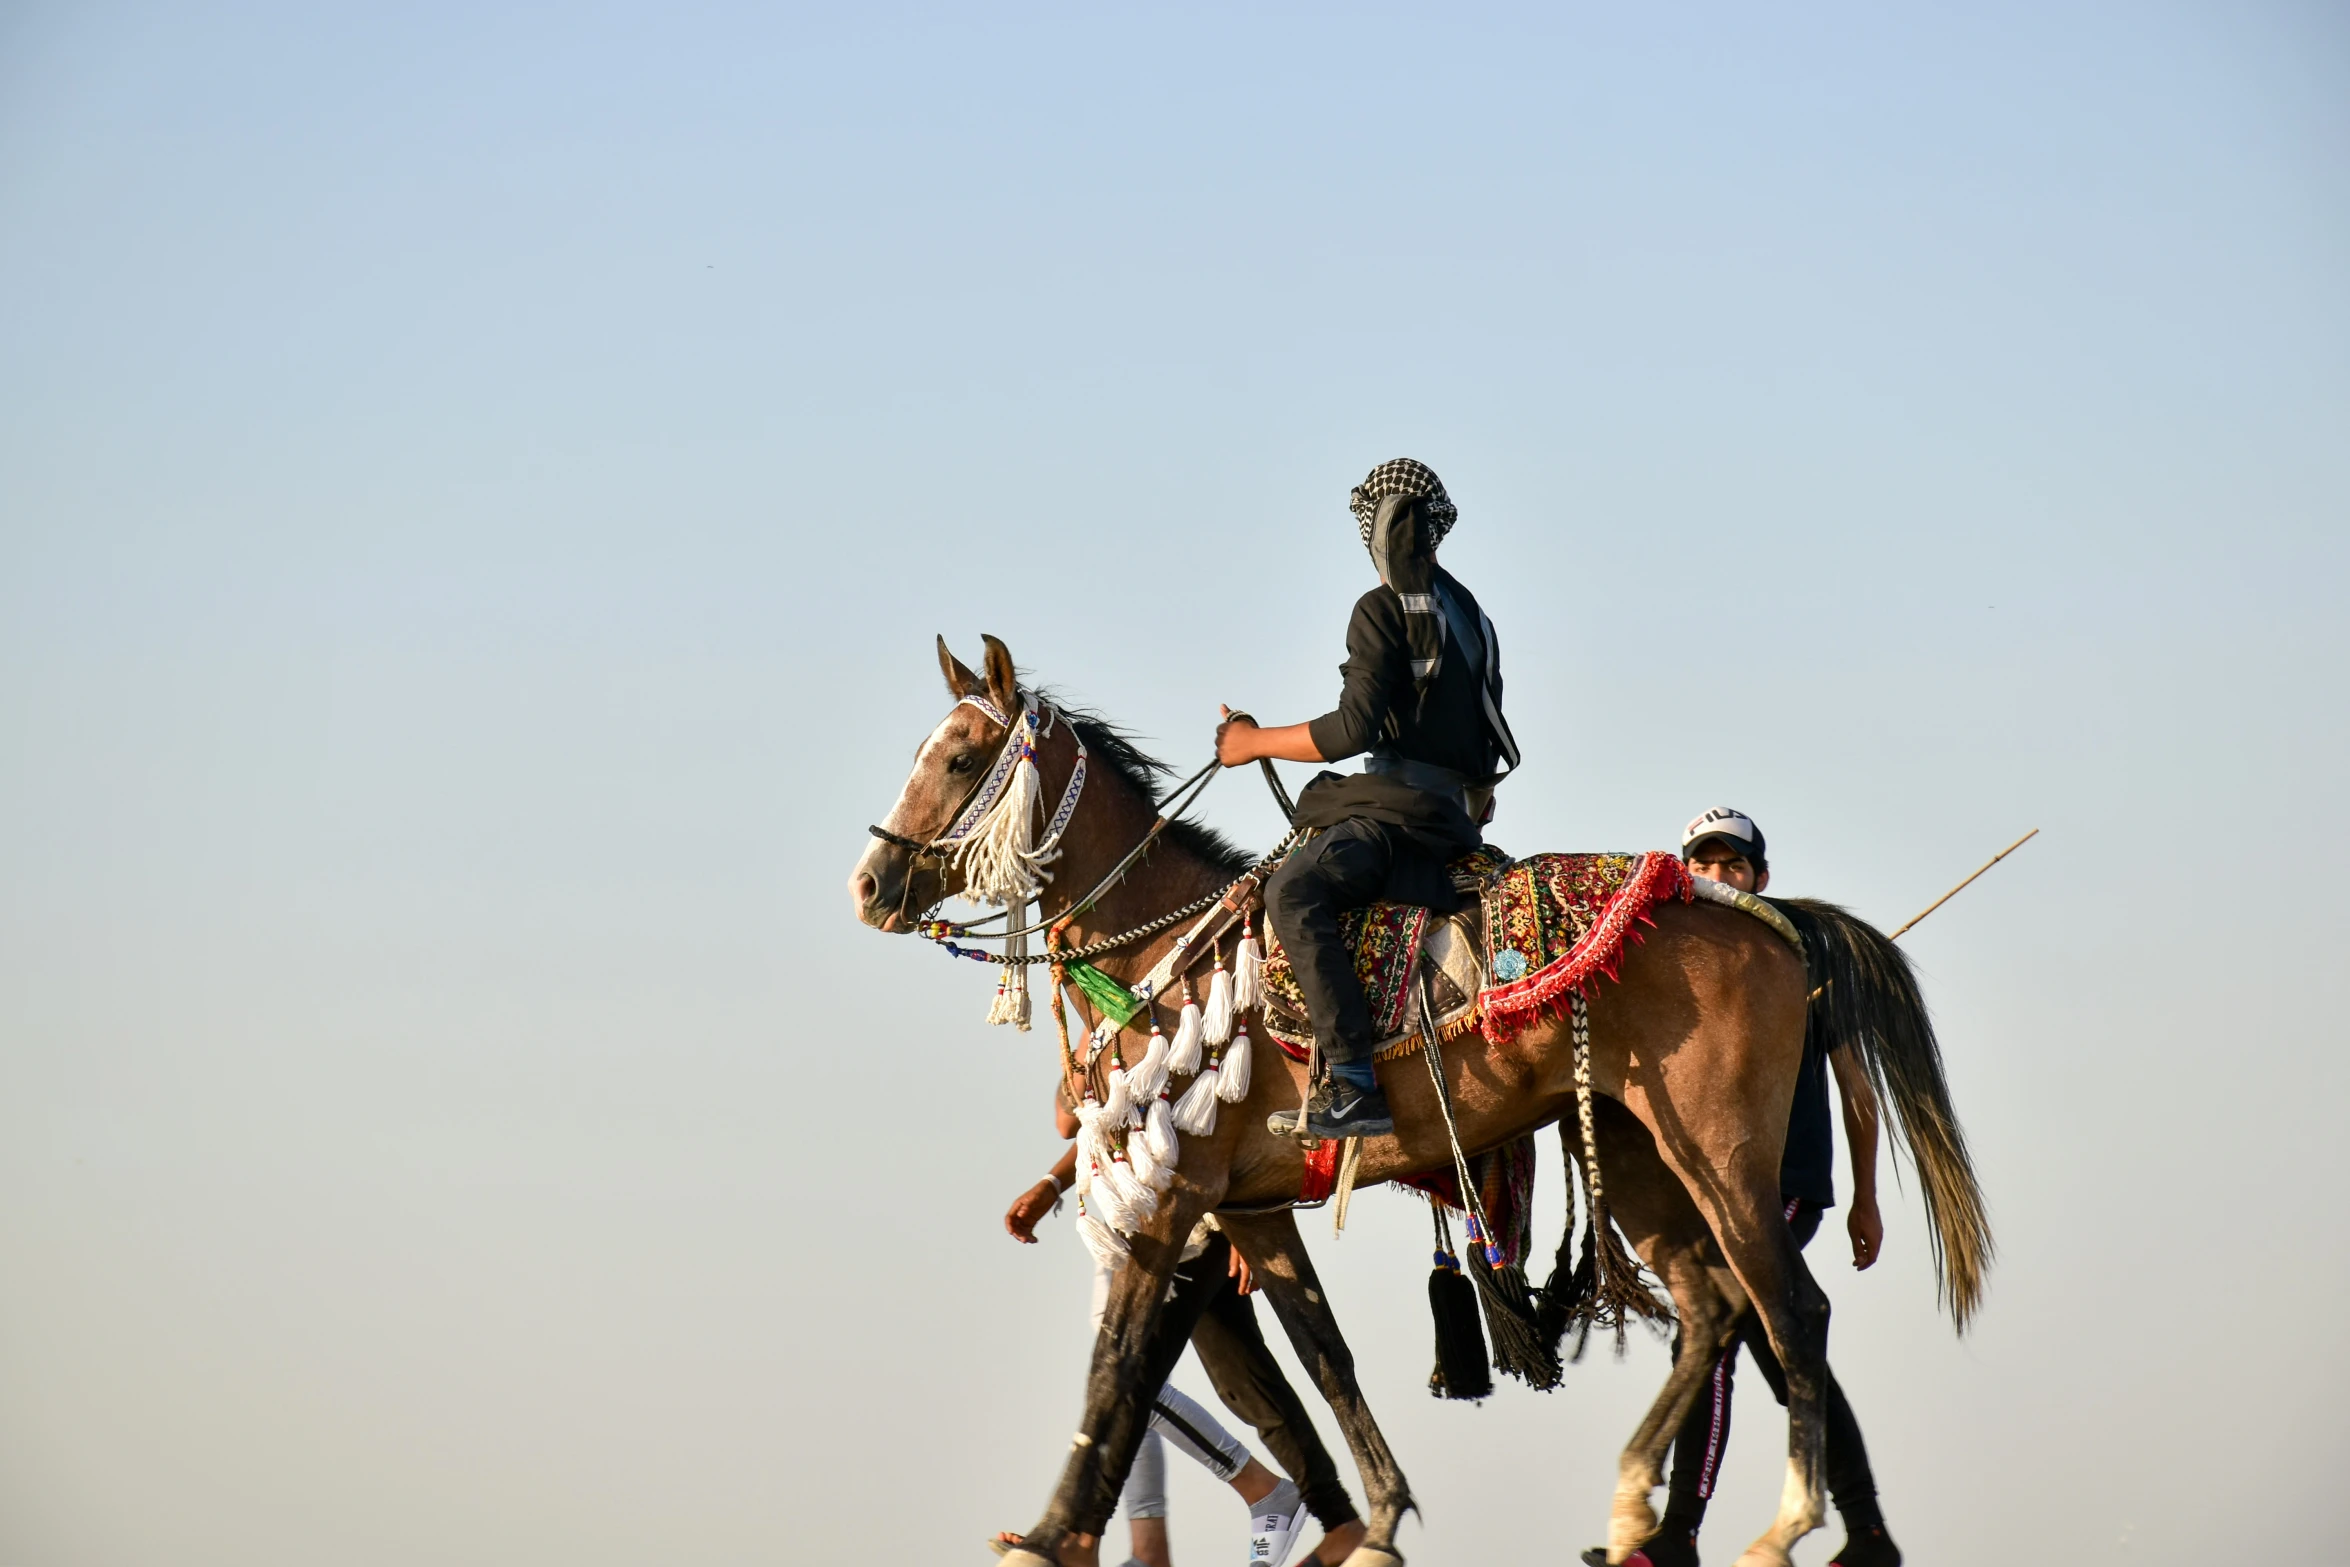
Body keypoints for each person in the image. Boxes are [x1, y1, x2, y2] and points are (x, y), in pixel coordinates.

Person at [1588, 809, 1900, 1567]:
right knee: (1779, 1350)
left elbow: (1859, 1091)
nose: (1719, 874)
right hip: (1713, 1190)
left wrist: (1864, 1196)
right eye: (1705, 861)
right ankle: (1867, 1535)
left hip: (1780, 1182)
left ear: (1761, 876)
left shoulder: (1788, 958)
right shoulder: (1680, 965)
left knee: (1717, 1329)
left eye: (1734, 864)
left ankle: (1676, 1539)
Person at [1215, 458, 1518, 1140]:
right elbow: (1485, 752)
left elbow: (1351, 731)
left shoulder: (1379, 610)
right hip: (1453, 825)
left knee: (1291, 891)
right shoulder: (1475, 618)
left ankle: (1353, 1084)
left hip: (1393, 821)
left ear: (1377, 534)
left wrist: (1253, 741)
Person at [998, 1083, 1367, 1567]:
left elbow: (1251, 1093)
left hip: (1200, 1215)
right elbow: (1079, 1123)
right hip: (1158, 1212)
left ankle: (1081, 1537)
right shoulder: (1120, 1016)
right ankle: (1339, 1522)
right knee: (1244, 1384)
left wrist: (1258, 1212)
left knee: (1132, 1370)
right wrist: (1050, 1183)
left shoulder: (1184, 1010)